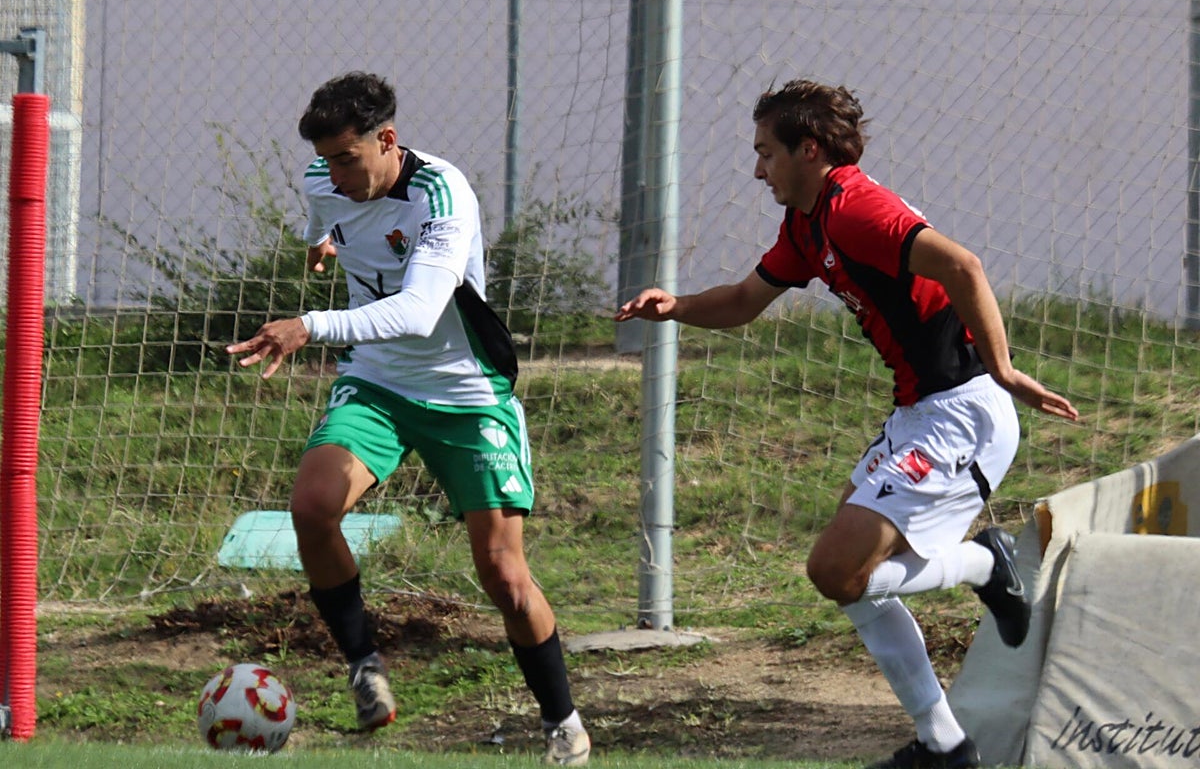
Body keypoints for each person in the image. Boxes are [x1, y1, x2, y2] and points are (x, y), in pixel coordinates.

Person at [615, 79, 1078, 769]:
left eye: (766, 152)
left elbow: (963, 265)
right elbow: (745, 299)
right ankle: (943, 744)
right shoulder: (806, 224)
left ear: (809, 150)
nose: (757, 169)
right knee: (847, 574)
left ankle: (987, 564)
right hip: (920, 414)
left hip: (962, 413)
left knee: (837, 569)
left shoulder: (857, 210)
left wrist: (1005, 369)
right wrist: (675, 307)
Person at [226, 71, 590, 766]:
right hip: (377, 383)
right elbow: (318, 207)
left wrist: (309, 323)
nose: (335, 173)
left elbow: (420, 313)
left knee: (505, 578)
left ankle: (564, 722)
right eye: (326, 160)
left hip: (466, 394)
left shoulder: (441, 193)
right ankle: (365, 667)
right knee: (312, 506)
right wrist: (321, 241)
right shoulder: (322, 177)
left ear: (387, 140)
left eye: (347, 159)